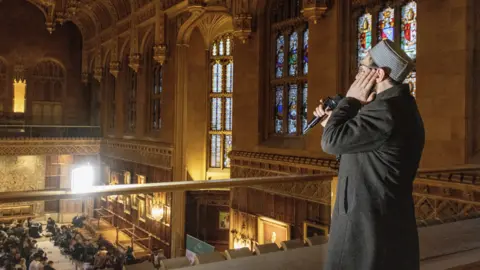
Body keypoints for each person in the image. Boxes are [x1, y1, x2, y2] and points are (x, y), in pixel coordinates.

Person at [315, 39, 424, 270]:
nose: (357, 77)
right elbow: (368, 149)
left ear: (379, 74)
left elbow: (331, 143)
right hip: (385, 224)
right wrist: (333, 123)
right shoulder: (402, 105)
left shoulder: (384, 111)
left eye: (362, 70)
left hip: (367, 230)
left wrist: (351, 100)